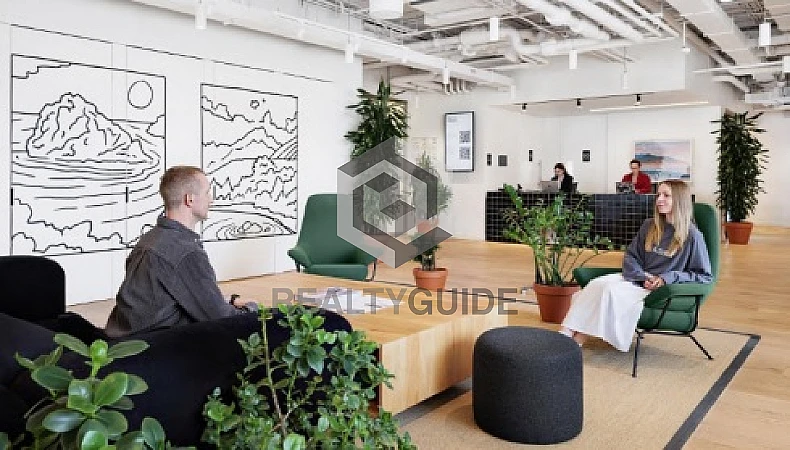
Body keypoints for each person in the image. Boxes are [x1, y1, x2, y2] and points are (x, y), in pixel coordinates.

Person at [559, 180, 712, 351]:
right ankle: (564, 334)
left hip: (658, 289)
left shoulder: (693, 236)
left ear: (680, 200)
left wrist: (665, 278)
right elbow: (631, 255)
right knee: (595, 285)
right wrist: (640, 276)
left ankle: (574, 342)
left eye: (666, 195)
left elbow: (704, 275)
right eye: (658, 195)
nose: (659, 199)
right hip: (636, 278)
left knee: (609, 291)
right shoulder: (649, 226)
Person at [105, 166, 257, 337]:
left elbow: (178, 296)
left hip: (125, 339)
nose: (211, 200)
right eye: (207, 193)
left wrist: (230, 300)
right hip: (156, 344)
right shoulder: (186, 252)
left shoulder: (149, 239)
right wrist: (252, 308)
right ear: (189, 199)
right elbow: (222, 320)